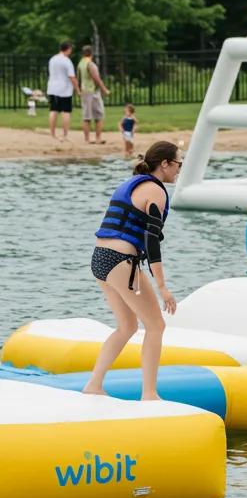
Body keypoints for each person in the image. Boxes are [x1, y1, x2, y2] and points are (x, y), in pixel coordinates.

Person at [81, 141, 182, 402]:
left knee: (127, 326)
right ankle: (149, 394)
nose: (180, 169)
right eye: (178, 163)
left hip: (100, 259)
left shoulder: (136, 182)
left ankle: (94, 384)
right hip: (119, 260)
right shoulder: (155, 191)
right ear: (165, 164)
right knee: (156, 325)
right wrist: (162, 287)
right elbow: (151, 241)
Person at [46, 40, 81, 142]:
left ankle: (52, 134)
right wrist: (77, 89)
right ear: (68, 49)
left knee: (53, 110)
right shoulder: (66, 61)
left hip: (52, 87)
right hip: (64, 89)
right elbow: (72, 77)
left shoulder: (52, 59)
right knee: (66, 112)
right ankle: (64, 135)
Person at [77, 45, 110, 143]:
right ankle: (98, 138)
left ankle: (87, 139)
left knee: (86, 116)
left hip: (84, 90)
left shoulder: (80, 64)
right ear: (91, 53)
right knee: (99, 115)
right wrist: (104, 89)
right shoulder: (90, 64)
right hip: (92, 91)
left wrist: (78, 90)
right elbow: (96, 78)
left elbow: (78, 78)